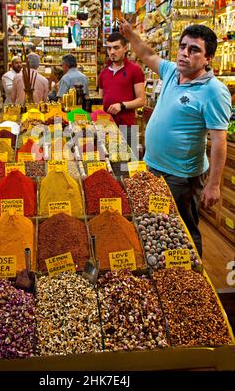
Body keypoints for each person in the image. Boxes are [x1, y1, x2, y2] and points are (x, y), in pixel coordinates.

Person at [120, 19, 232, 256]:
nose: (184, 53)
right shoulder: (172, 71)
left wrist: (213, 184)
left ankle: (196, 279)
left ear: (208, 57)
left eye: (194, 50)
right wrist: (131, 36)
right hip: (153, 168)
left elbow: (219, 140)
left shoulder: (214, 90)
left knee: (184, 229)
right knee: (158, 225)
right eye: (183, 47)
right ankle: (165, 267)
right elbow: (148, 54)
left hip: (182, 176)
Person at [98, 32, 145, 126]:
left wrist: (122, 105)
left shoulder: (135, 70)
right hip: (106, 125)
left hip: (127, 125)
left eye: (116, 48)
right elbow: (100, 100)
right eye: (109, 48)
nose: (112, 52)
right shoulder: (103, 73)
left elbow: (141, 100)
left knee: (130, 141)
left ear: (125, 48)